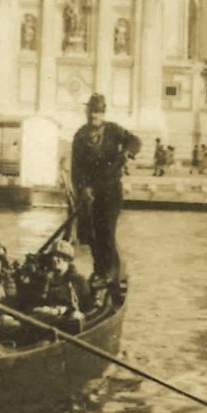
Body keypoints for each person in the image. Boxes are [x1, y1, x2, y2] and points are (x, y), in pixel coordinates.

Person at [71, 93, 141, 297]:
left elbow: (135, 141)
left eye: (98, 112)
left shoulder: (113, 130)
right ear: (86, 113)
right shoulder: (80, 136)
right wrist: (83, 190)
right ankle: (100, 271)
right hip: (90, 192)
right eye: (91, 111)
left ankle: (112, 273)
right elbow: (76, 168)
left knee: (106, 231)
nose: (94, 115)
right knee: (91, 235)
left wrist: (128, 152)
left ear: (103, 113)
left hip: (110, 190)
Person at [19, 239, 92, 334]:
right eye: (53, 256)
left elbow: (86, 308)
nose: (54, 259)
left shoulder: (78, 281)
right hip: (47, 319)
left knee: (75, 318)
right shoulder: (45, 279)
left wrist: (61, 310)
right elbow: (36, 301)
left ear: (67, 260)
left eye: (59, 256)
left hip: (67, 322)